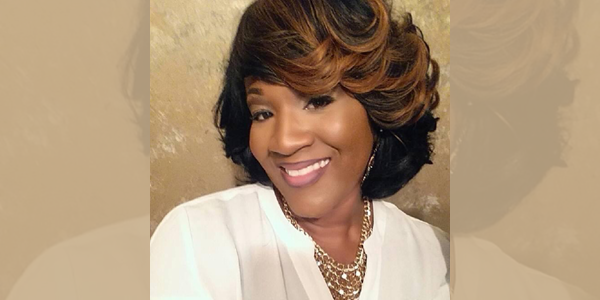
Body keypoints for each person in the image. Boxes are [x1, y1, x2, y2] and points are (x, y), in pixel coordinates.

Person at [150, 0, 449, 299]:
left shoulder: (434, 255)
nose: (284, 142)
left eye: (317, 101)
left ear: (379, 108)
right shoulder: (197, 240)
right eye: (262, 113)